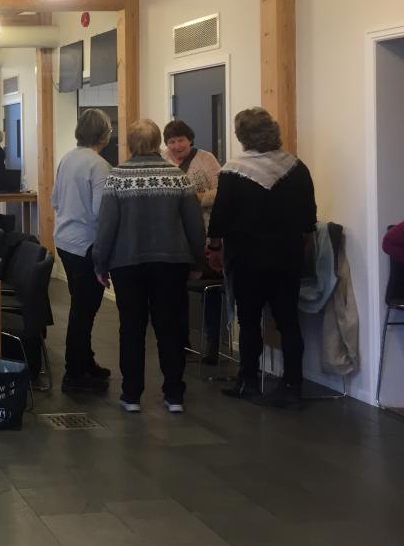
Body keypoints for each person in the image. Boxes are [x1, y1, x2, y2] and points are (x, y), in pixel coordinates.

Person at [93, 119, 206, 414]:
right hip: (171, 263)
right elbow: (195, 226)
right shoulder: (178, 177)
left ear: (129, 143)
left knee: (132, 327)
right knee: (170, 327)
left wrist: (100, 263)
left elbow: (106, 226)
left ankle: (131, 394)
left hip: (127, 263)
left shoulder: (117, 177)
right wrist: (198, 260)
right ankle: (174, 394)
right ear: (158, 142)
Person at [208, 107, 317, 409]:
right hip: (287, 257)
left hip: (247, 258)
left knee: (249, 320)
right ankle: (293, 385)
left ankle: (248, 380)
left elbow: (220, 217)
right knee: (288, 321)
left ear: (241, 136)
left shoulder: (234, 171)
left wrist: (214, 248)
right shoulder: (296, 167)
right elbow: (309, 219)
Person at [52, 108, 114, 394]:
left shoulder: (68, 158)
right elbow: (102, 212)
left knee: (80, 307)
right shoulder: (99, 166)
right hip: (86, 244)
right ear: (104, 134)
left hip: (65, 241)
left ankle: (85, 361)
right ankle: (75, 373)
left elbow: (55, 200)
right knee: (84, 311)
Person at [163, 119, 223, 362]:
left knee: (211, 291)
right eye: (172, 141)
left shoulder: (206, 159)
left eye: (181, 140)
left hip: (205, 235)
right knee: (174, 289)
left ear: (190, 140)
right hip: (173, 237)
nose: (177, 146)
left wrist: (198, 197)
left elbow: (222, 191)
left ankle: (212, 342)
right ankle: (180, 340)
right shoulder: (162, 161)